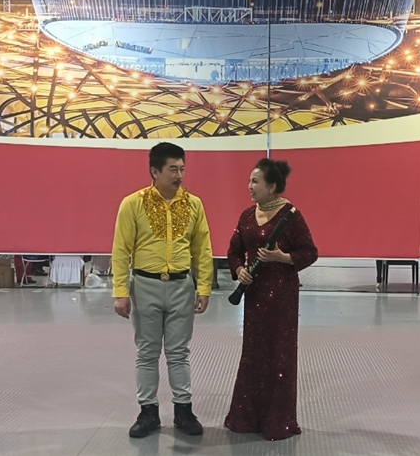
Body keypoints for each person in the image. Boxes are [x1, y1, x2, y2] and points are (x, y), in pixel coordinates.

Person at [112, 142, 214, 438]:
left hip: (182, 286)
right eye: (173, 169)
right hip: (144, 286)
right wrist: (120, 291)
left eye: (182, 168)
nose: (179, 175)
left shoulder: (194, 204)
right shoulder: (132, 204)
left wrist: (204, 287)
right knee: (147, 352)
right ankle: (148, 412)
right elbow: (121, 250)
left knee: (179, 353)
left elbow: (202, 249)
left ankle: (183, 410)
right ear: (154, 171)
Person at [225, 158, 318, 441]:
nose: (249, 186)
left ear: (272, 186)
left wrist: (282, 257)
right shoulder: (246, 216)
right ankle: (247, 417)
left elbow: (310, 252)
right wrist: (239, 270)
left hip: (282, 297)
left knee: (279, 356)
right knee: (253, 353)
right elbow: (234, 251)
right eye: (249, 181)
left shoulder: (291, 215)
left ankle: (278, 420)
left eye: (255, 181)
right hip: (254, 295)